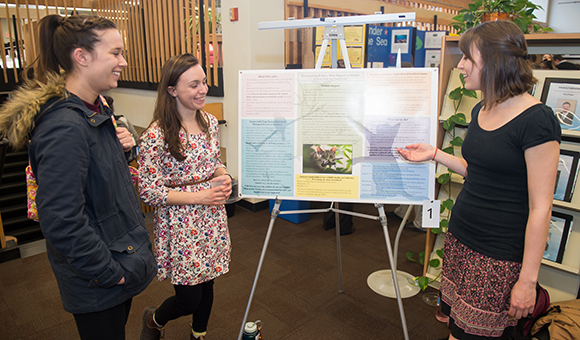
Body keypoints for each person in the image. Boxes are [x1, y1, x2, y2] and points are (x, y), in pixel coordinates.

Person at [397, 20, 560, 340]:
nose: (459, 65)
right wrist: (435, 154)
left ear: (495, 61)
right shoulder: (483, 109)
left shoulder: (537, 121)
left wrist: (527, 280)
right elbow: (481, 172)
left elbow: (541, 208)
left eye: (467, 58)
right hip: (462, 240)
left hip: (497, 256)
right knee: (457, 328)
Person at [0, 14, 157, 340]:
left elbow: (98, 178)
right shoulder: (64, 127)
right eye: (115, 53)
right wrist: (108, 273)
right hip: (100, 279)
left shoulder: (97, 109)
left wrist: (123, 151)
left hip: (118, 257)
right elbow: (61, 221)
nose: (123, 62)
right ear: (81, 57)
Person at [138, 53, 232, 340]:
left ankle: (198, 334)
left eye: (204, 82)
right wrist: (198, 197)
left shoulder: (210, 122)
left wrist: (223, 174)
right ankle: (153, 320)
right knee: (188, 299)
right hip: (181, 222)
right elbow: (149, 190)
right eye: (193, 85)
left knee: (209, 285)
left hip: (211, 215)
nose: (202, 90)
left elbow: (213, 161)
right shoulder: (156, 135)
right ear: (172, 90)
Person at [102, 94, 140, 162]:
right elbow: (137, 139)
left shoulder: (101, 125)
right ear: (113, 108)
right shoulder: (123, 119)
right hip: (129, 160)